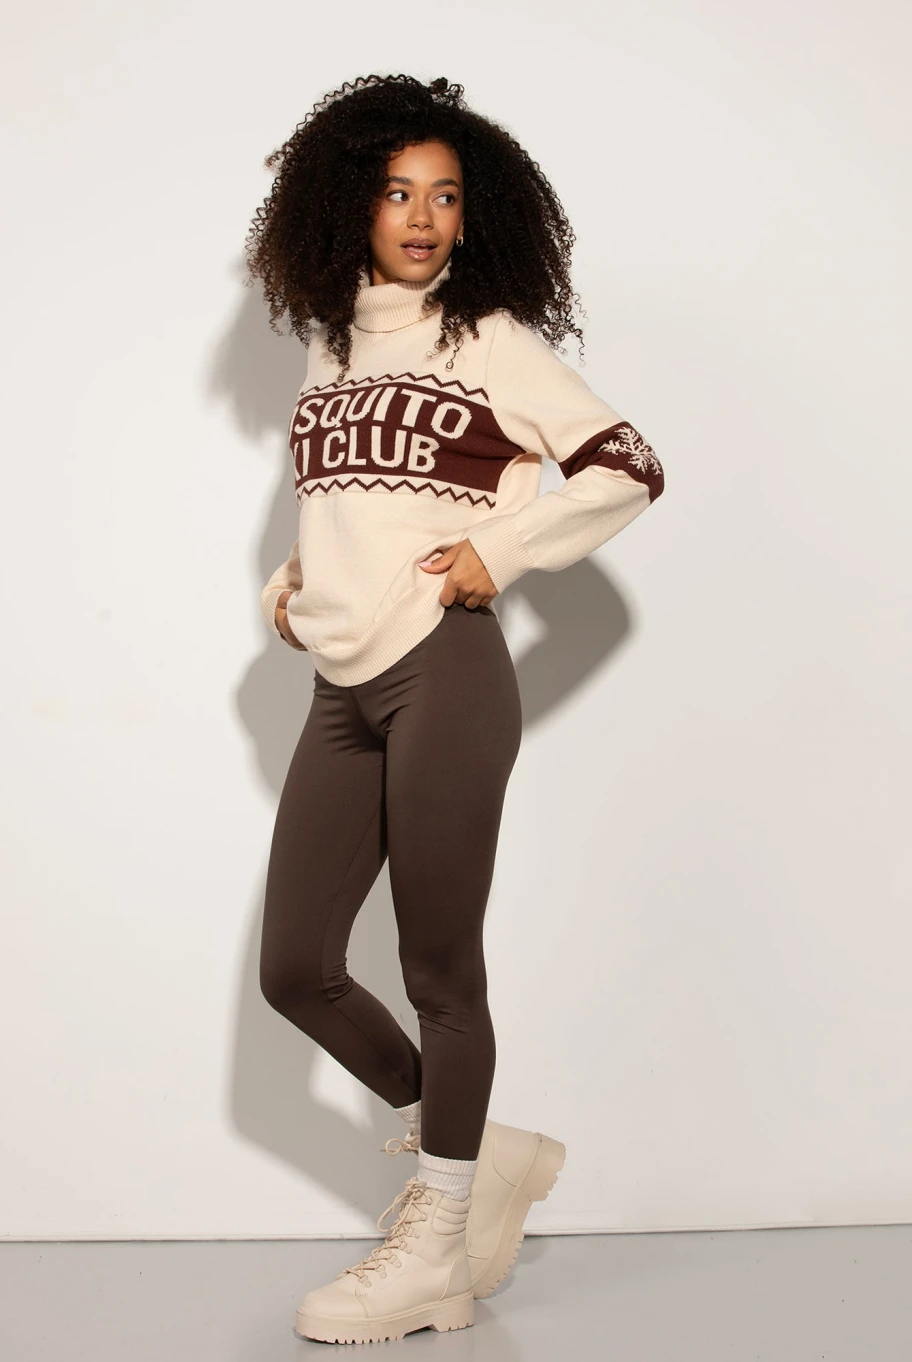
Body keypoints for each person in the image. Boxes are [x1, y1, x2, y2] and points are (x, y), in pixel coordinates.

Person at [244, 73, 665, 1345]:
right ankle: (480, 1151)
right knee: (297, 970)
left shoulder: (487, 340)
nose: (423, 217)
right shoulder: (328, 347)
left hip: (447, 668)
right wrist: (295, 578)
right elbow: (349, 498)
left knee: (436, 964)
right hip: (340, 683)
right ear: (349, 206)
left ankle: (438, 1246)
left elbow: (628, 464)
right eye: (396, 192)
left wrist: (507, 550)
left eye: (445, 196)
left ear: (474, 218)